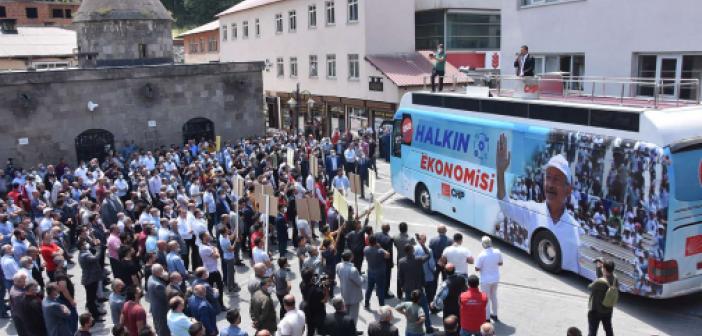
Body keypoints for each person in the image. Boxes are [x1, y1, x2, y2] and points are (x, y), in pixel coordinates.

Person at [496, 134, 580, 273]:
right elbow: (506, 206)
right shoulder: (533, 210)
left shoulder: (576, 231)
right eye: (548, 178)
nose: (550, 184)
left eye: (557, 179)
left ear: (568, 190)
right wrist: (500, 172)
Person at [397, 244, 433, 333]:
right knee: (425, 309)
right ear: (413, 250)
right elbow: (428, 255)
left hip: (408, 290)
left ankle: (411, 328)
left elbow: (400, 276)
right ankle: (428, 328)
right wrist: (422, 244)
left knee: (410, 311)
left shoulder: (401, 261)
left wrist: (402, 286)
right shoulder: (418, 260)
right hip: (419, 290)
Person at [475, 236, 503, 322]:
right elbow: (500, 263)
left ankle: (487, 318)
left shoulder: (481, 255)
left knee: (486, 298)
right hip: (495, 278)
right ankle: (495, 314)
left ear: (483, 244)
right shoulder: (497, 251)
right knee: (494, 296)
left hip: (485, 280)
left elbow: (477, 268)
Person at [587, 259, 617, 336]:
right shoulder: (615, 279)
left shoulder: (599, 282)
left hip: (596, 311)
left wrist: (599, 271)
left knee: (592, 332)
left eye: (602, 267)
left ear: (604, 269)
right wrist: (599, 268)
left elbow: (590, 287)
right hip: (608, 310)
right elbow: (605, 278)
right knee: (608, 330)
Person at [78, 238, 105, 323]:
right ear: (81, 246)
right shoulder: (84, 255)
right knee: (91, 300)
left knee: (92, 298)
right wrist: (99, 248)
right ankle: (94, 316)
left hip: (92, 278)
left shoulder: (85, 252)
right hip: (89, 280)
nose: (86, 243)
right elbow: (95, 258)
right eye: (84, 243)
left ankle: (96, 312)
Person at [336, 250, 363, 326]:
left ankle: (346, 329)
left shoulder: (338, 266)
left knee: (345, 313)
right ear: (351, 257)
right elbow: (359, 282)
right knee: (354, 316)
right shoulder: (353, 270)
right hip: (354, 296)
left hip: (344, 293)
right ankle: (352, 331)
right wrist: (361, 278)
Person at [364, 235, 390, 309]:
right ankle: (382, 306)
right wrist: (381, 247)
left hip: (370, 271)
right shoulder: (380, 251)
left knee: (369, 288)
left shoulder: (366, 249)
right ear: (376, 242)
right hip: (380, 272)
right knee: (380, 289)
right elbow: (388, 255)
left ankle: (366, 303)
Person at [300, 268, 327, 336]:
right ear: (311, 277)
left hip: (308, 312)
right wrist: (326, 288)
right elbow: (325, 300)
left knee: (310, 330)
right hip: (319, 313)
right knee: (321, 330)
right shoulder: (318, 291)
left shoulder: (302, 285)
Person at [147, 264, 170, 336]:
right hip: (161, 310)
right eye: (162, 270)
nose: (163, 271)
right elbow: (166, 297)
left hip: (155, 308)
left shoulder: (151, 277)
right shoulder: (158, 285)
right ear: (157, 272)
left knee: (158, 326)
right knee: (163, 329)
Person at [392, 222, 412, 299]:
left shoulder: (395, 237)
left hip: (399, 258)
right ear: (406, 229)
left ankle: (399, 294)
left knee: (399, 276)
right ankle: (407, 293)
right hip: (408, 259)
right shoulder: (409, 239)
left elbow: (395, 244)